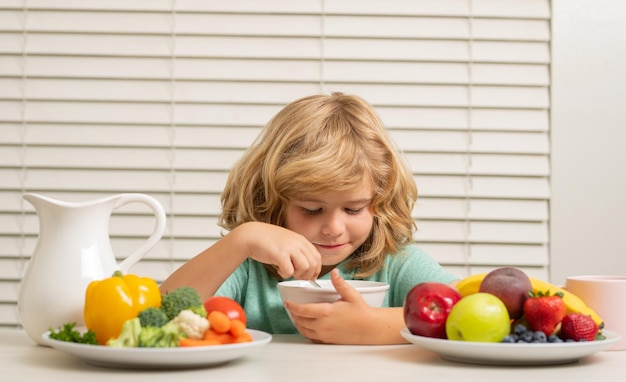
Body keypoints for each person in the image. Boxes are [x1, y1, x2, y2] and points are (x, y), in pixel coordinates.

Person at [159, 92, 459, 345]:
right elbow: (160, 316)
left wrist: (374, 326)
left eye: (353, 209)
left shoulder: (398, 265)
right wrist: (241, 240)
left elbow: (468, 313)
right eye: (311, 210)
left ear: (380, 202)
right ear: (272, 201)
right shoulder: (247, 268)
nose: (333, 229)